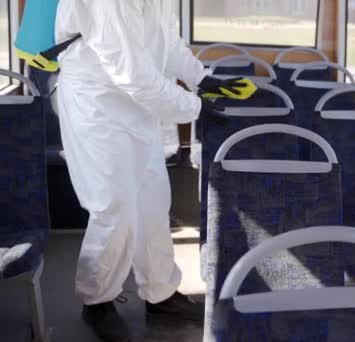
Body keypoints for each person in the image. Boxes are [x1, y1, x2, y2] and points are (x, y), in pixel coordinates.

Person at [55, 1, 247, 341]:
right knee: (115, 206)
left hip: (136, 102)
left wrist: (201, 78)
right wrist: (195, 107)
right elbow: (132, 72)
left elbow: (162, 40)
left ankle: (160, 293)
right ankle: (97, 299)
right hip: (96, 101)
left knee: (153, 200)